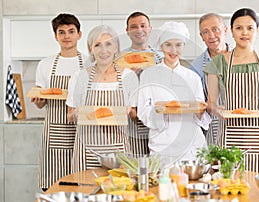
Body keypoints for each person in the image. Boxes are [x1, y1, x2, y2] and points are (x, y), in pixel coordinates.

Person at [204, 8, 259, 174]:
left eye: (250, 28)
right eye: (239, 28)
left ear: (257, 31)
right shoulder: (218, 63)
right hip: (230, 134)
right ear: (231, 31)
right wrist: (218, 111)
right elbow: (211, 104)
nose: (244, 32)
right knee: (227, 190)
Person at [66, 25, 139, 172]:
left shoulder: (128, 77)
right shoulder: (79, 77)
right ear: (91, 49)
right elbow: (69, 116)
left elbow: (135, 116)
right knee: (86, 193)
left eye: (108, 44)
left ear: (116, 47)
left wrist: (129, 111)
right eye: (97, 45)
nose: (103, 50)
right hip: (86, 152)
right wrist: (76, 113)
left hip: (118, 152)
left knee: (119, 192)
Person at [31, 13, 91, 191]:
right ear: (55, 36)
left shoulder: (89, 62)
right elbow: (41, 103)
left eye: (71, 31)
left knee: (80, 185)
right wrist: (38, 101)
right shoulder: (45, 64)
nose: (67, 36)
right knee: (54, 186)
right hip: (55, 132)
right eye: (62, 32)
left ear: (79, 34)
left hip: (82, 131)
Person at [138, 21, 210, 166]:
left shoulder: (192, 77)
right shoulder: (149, 75)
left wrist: (201, 111)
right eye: (168, 45)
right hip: (162, 143)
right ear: (161, 46)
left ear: (184, 46)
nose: (173, 50)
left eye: (178, 45)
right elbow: (143, 111)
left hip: (192, 145)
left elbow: (200, 110)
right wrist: (162, 112)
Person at [123, 11, 164, 157]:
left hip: (159, 116)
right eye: (133, 27)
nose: (139, 30)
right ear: (127, 31)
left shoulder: (162, 57)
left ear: (150, 28)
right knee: (137, 166)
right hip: (131, 121)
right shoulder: (120, 58)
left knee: (158, 165)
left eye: (142, 25)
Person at [190, 13, 230, 146]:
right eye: (205, 32)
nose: (211, 35)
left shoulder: (242, 59)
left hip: (239, 124)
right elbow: (195, 103)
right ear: (201, 37)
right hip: (211, 129)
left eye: (215, 29)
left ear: (225, 30)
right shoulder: (196, 67)